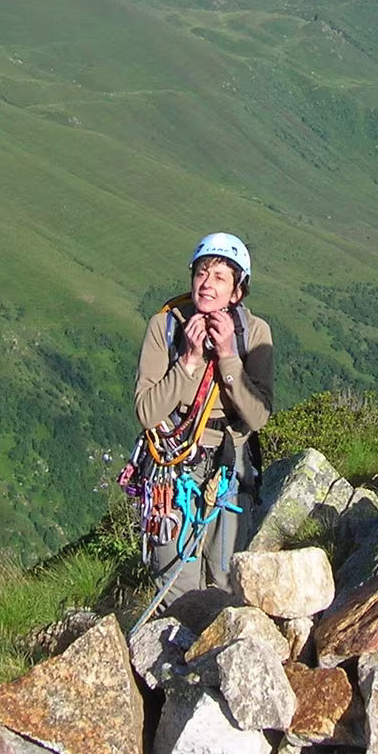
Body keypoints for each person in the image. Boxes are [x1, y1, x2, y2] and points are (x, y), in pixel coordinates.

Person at [131, 233, 274, 595]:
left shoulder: (254, 333)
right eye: (201, 274)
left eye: (220, 277)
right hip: (173, 465)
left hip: (230, 463)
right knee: (176, 584)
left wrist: (228, 356)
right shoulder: (165, 327)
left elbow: (258, 417)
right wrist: (188, 361)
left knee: (225, 576)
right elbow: (147, 412)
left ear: (237, 291)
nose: (207, 284)